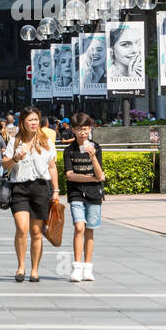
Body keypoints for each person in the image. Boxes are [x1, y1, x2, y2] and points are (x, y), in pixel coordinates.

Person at [2, 107, 61, 283]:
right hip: (19, 187)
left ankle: (35, 269)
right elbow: (5, 164)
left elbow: (52, 167)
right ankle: (21, 266)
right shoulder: (15, 141)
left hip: (40, 187)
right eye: (30, 120)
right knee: (22, 228)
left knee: (36, 231)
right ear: (23, 122)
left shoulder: (46, 142)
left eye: (36, 119)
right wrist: (15, 159)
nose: (34, 123)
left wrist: (56, 191)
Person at [64, 112, 105, 283]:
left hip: (94, 193)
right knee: (79, 227)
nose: (83, 133)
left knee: (90, 230)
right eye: (80, 129)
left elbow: (100, 175)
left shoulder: (96, 147)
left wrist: (93, 156)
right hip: (76, 193)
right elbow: (70, 175)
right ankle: (76, 267)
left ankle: (88, 268)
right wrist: (92, 178)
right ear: (73, 130)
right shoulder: (69, 151)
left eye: (86, 129)